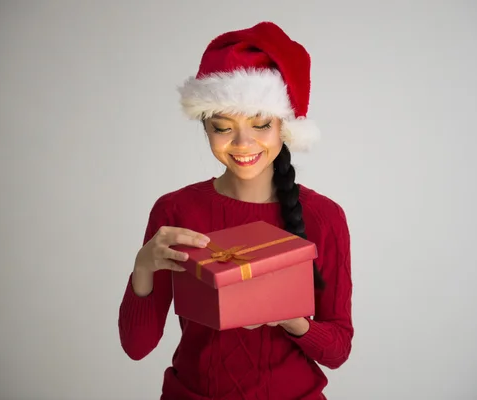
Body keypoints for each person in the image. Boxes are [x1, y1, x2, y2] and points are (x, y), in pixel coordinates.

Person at [118, 21, 353, 400]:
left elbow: (338, 349)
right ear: (206, 128)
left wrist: (291, 319)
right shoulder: (176, 210)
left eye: (261, 124)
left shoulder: (324, 217)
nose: (244, 143)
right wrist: (143, 265)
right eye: (222, 127)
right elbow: (137, 346)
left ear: (284, 127)